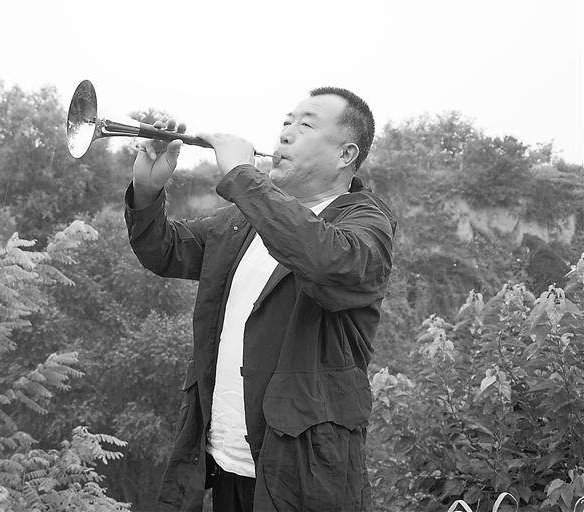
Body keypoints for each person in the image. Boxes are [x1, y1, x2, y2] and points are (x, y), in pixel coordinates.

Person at [124, 87, 396, 512]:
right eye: (286, 122)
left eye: (305, 125)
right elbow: (165, 249)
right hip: (223, 462)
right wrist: (146, 189)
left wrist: (243, 177)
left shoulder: (365, 223)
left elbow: (327, 263)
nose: (285, 133)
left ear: (346, 155)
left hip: (304, 476)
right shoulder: (245, 220)